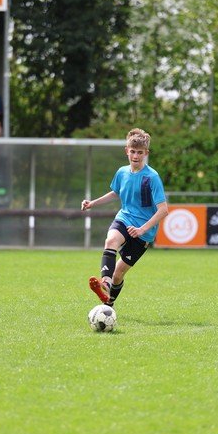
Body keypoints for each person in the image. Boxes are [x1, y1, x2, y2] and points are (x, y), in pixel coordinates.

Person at [81, 128, 168, 308]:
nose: (135, 156)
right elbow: (116, 193)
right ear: (126, 151)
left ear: (146, 153)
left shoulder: (152, 177)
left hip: (144, 232)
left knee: (118, 274)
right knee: (111, 241)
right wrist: (92, 203)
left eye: (140, 152)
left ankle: (108, 303)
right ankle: (105, 283)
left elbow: (163, 210)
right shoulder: (122, 172)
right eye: (133, 151)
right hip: (125, 218)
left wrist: (142, 229)